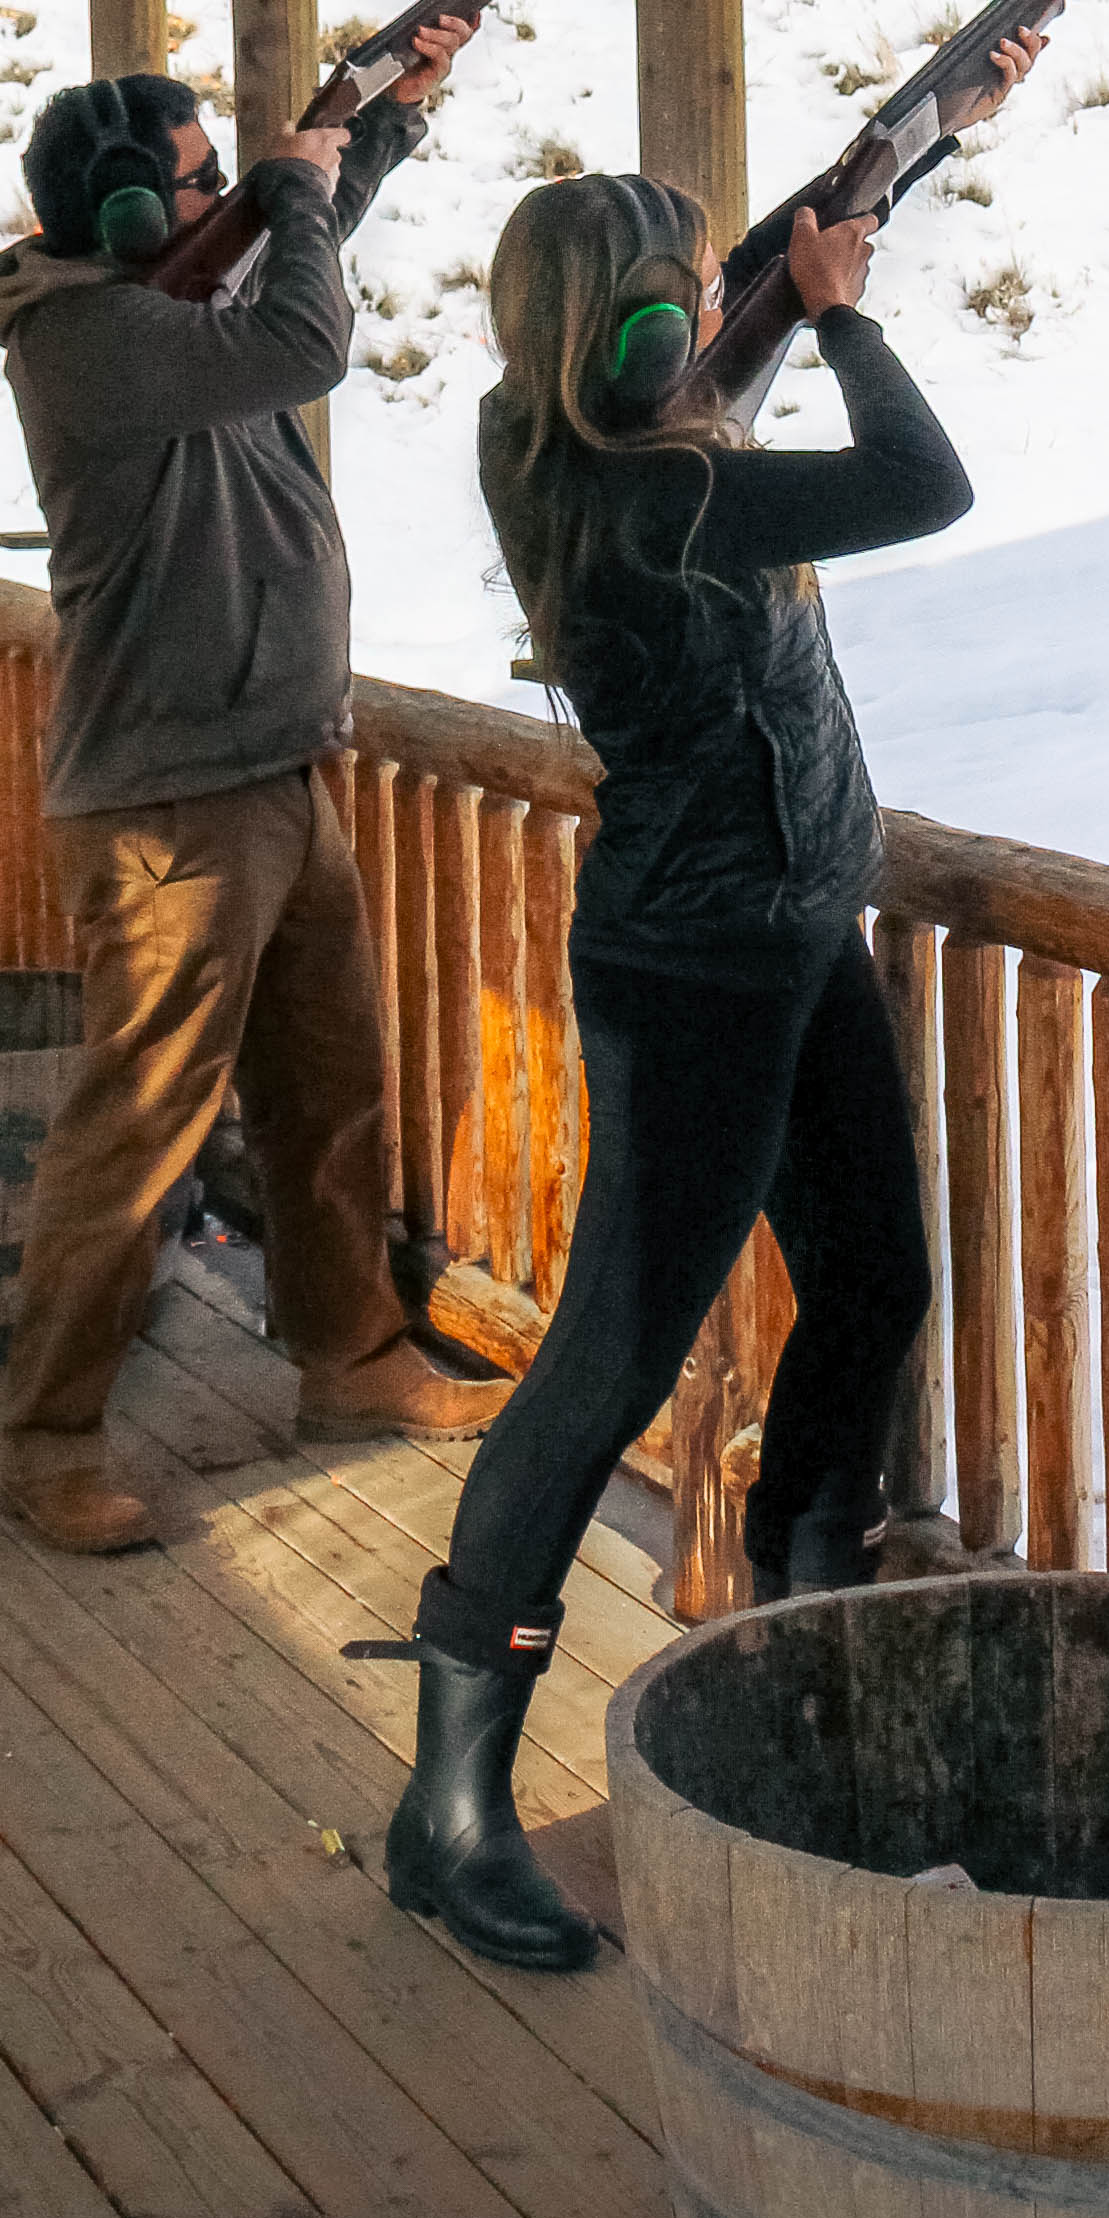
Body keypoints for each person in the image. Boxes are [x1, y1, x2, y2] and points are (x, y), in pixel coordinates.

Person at [379, 102, 1026, 1972]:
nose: (696, 322)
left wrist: (906, 157)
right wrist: (841, 312)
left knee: (881, 1281)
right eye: (666, 305)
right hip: (697, 966)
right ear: (629, 341)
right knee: (602, 1364)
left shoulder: (553, 430)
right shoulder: (665, 493)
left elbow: (675, 343)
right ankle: (447, 1813)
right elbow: (923, 486)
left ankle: (797, 1645)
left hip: (793, 922)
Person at [0, 33, 501, 1553]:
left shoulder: (163, 302)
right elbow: (309, 340)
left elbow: (286, 253)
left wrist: (377, 122)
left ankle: (355, 1357)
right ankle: (51, 1443)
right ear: (133, 217)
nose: (230, 207)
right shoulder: (93, 344)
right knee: (138, 1129)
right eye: (205, 187)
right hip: (169, 810)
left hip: (273, 761)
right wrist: (302, 193)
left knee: (328, 1090)